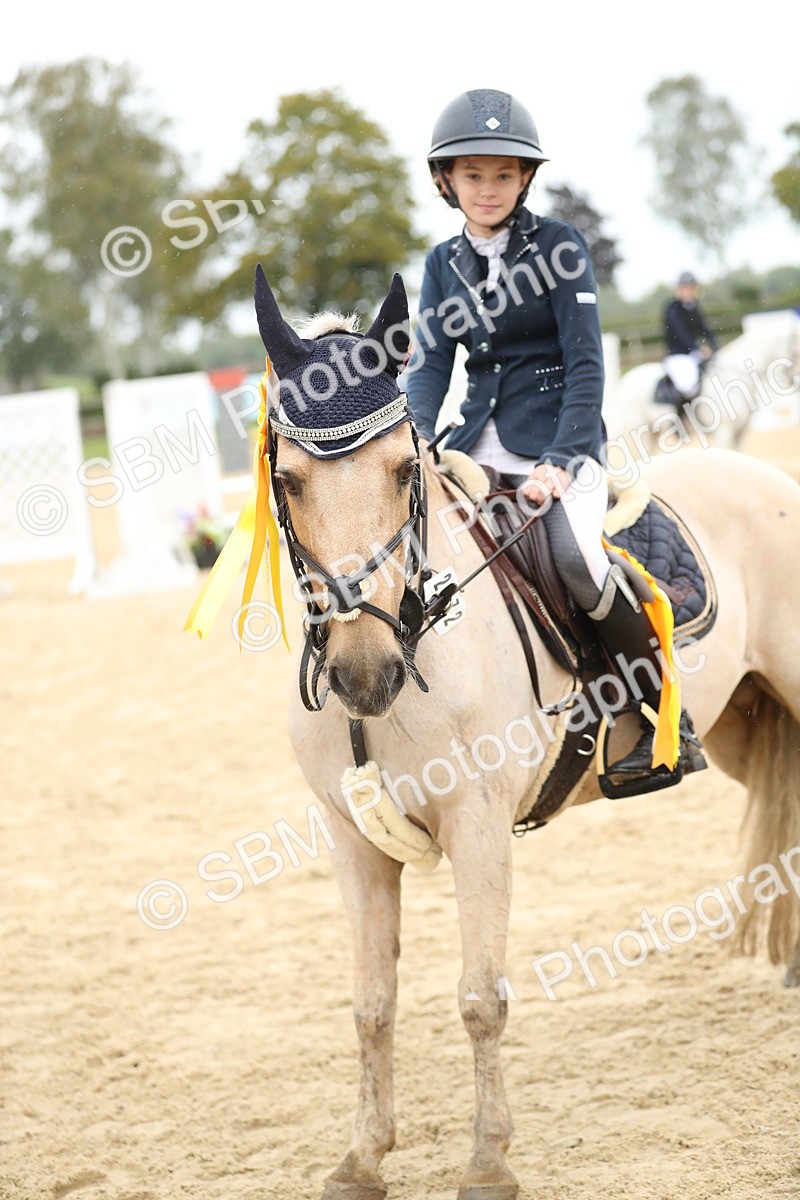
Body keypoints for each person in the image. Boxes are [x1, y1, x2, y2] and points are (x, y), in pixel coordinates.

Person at [405, 88, 706, 792]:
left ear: (525, 179)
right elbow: (431, 366)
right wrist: (415, 441)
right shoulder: (442, 265)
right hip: (474, 444)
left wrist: (562, 462)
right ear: (446, 180)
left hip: (561, 444)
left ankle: (661, 718)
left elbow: (585, 364)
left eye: (503, 174)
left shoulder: (560, 247)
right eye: (473, 175)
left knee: (576, 560)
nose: (488, 188)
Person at [660, 272, 719, 403]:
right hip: (678, 355)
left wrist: (715, 345)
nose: (689, 292)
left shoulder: (694, 307)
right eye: (686, 288)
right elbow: (681, 333)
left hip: (693, 354)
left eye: (691, 288)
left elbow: (705, 328)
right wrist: (698, 347)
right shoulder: (673, 308)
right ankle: (682, 412)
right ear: (679, 289)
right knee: (688, 386)